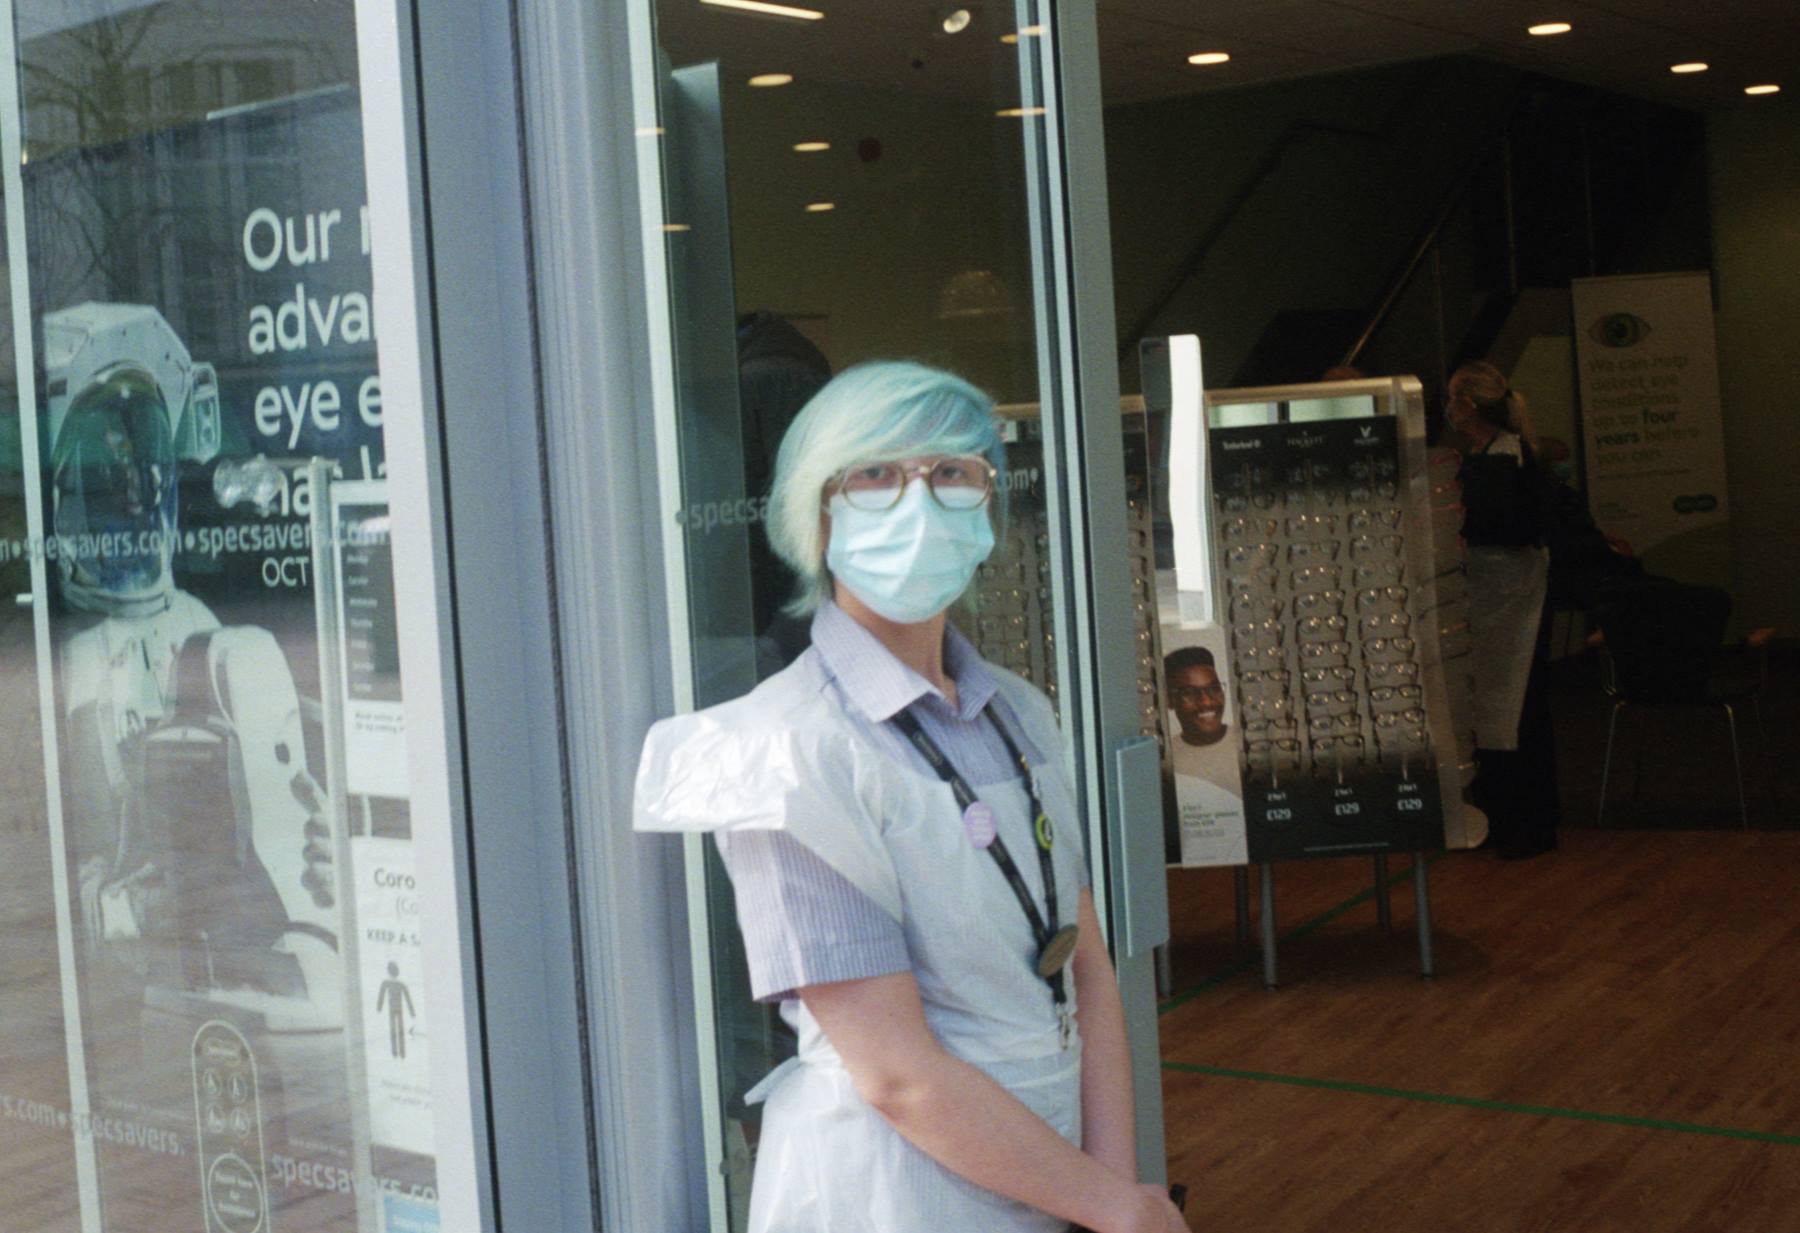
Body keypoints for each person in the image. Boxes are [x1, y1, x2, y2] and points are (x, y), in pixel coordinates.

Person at [635, 361, 1186, 1233]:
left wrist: (1111, 1192)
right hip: (888, 1194)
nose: (919, 502)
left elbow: (1083, 965)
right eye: (878, 473)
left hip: (1056, 1176)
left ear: (988, 508)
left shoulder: (1022, 714)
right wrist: (1115, 1209)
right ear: (818, 513)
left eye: (952, 473)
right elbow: (896, 1074)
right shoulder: (786, 749)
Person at [1443, 360, 1560, 859]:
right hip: (1498, 602)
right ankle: (1512, 820)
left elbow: (1505, 528)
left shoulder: (1502, 461)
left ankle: (1522, 824)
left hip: (1509, 605)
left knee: (1515, 713)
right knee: (1505, 712)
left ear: (1466, 405)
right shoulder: (1500, 454)